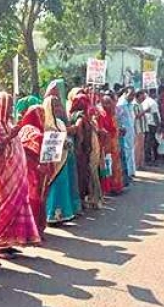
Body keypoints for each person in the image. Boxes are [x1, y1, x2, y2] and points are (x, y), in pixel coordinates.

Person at [0, 91, 41, 252]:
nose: (11, 107)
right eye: (9, 104)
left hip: (17, 173)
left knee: (17, 206)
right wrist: (9, 137)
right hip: (4, 174)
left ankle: (10, 241)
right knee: (4, 205)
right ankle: (0, 242)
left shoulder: (10, 123)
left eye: (12, 104)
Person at [44, 90, 82, 225]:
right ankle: (52, 215)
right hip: (53, 161)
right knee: (54, 186)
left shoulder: (59, 123)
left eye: (59, 106)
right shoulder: (46, 123)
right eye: (54, 106)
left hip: (64, 159)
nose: (57, 109)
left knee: (63, 186)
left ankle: (63, 214)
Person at [69, 89, 104, 209]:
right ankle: (89, 200)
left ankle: (86, 200)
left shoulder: (72, 115)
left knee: (83, 175)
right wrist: (80, 145)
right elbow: (78, 129)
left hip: (82, 149)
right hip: (83, 150)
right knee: (87, 174)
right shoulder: (81, 116)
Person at [17, 105, 48, 233]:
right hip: (33, 169)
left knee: (36, 197)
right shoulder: (32, 131)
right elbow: (29, 148)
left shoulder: (27, 129)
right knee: (34, 197)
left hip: (30, 168)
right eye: (39, 115)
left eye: (43, 115)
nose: (42, 118)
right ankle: (33, 229)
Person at [98, 92, 125, 195]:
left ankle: (117, 186)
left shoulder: (112, 115)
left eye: (110, 103)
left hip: (114, 145)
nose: (109, 105)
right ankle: (109, 188)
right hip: (106, 146)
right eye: (107, 103)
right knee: (108, 166)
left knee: (116, 166)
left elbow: (115, 128)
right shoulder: (101, 115)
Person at [116, 89, 136, 184]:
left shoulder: (129, 104)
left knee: (130, 151)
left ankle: (131, 172)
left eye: (133, 95)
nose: (132, 97)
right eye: (130, 95)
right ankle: (127, 174)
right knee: (126, 152)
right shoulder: (121, 105)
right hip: (124, 132)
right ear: (125, 94)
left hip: (130, 131)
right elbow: (117, 119)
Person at [142, 88, 160, 165]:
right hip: (152, 124)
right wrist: (158, 125)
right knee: (152, 142)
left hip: (146, 123)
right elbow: (155, 115)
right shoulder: (153, 102)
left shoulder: (144, 101)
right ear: (153, 93)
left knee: (147, 141)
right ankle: (150, 159)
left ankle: (148, 158)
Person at [132, 90, 148, 170]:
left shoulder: (140, 104)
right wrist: (145, 111)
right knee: (137, 147)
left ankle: (141, 164)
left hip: (142, 128)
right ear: (138, 96)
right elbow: (136, 116)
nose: (144, 98)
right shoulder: (135, 105)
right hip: (137, 128)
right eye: (142, 96)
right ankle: (137, 164)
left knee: (141, 147)